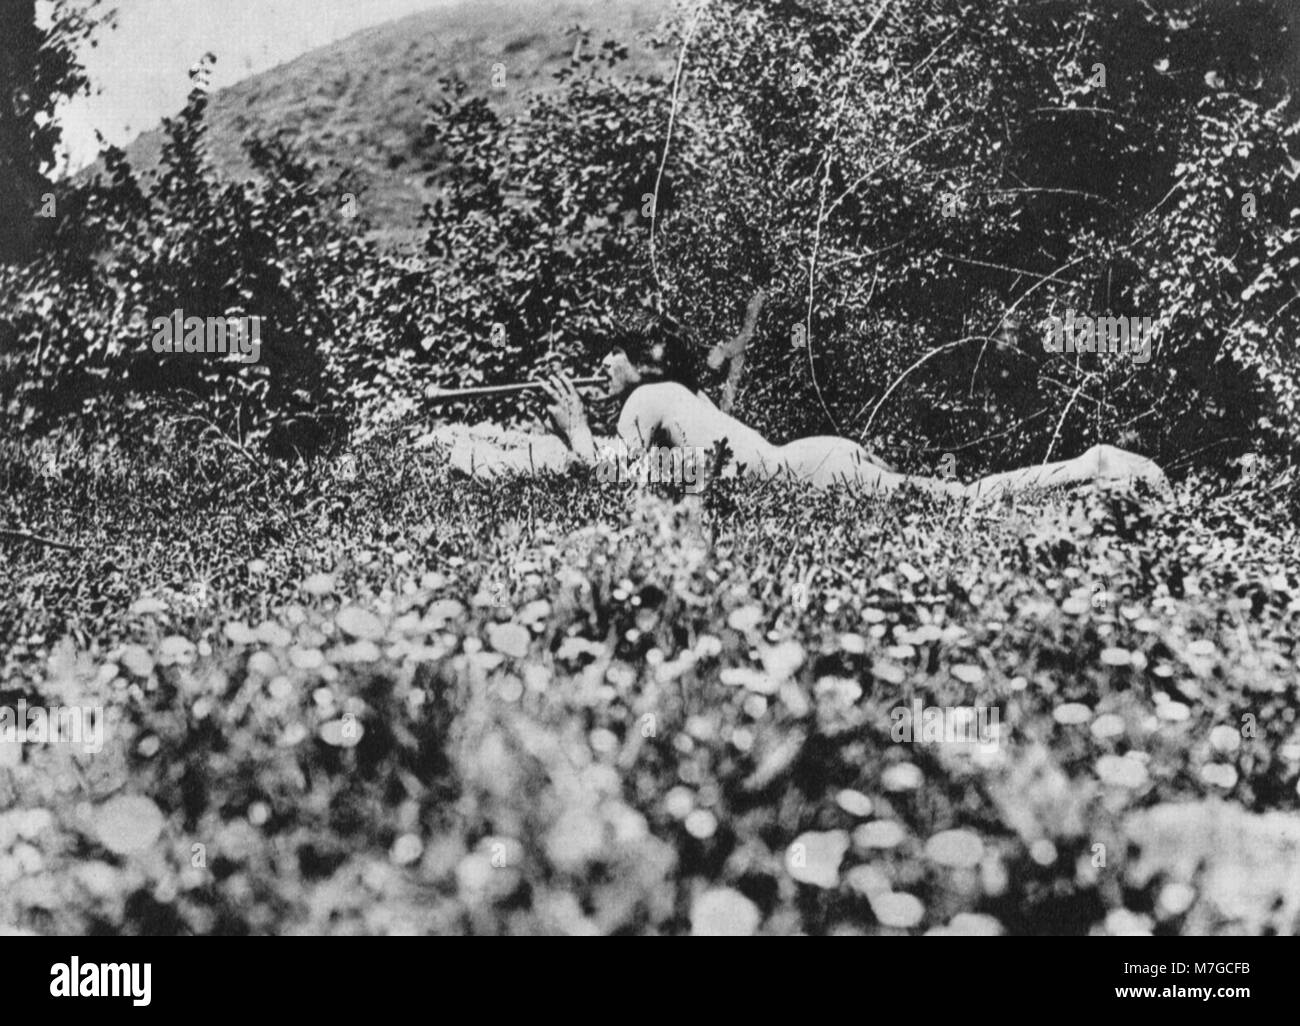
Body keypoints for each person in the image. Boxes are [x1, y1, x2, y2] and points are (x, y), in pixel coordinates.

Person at [538, 350, 1169, 500]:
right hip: (816, 458)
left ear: (640, 362)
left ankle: (1093, 466)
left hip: (808, 469)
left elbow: (617, 478)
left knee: (961, 501)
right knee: (952, 499)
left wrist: (577, 435)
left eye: (610, 353)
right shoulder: (678, 398)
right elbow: (690, 469)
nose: (600, 365)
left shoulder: (642, 402)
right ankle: (1092, 475)